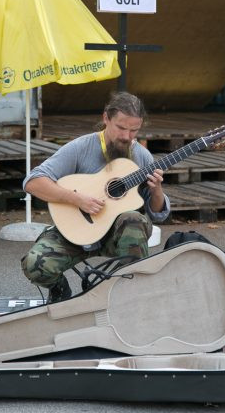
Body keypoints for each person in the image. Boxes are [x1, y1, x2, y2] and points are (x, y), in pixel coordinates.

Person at [21, 92, 171, 303]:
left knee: (134, 219)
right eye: (121, 128)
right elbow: (32, 181)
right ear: (106, 119)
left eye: (134, 130)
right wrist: (76, 199)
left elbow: (158, 213)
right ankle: (59, 289)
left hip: (119, 237)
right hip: (76, 232)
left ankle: (129, 294)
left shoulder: (141, 156)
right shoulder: (80, 147)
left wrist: (157, 190)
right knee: (34, 265)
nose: (127, 136)